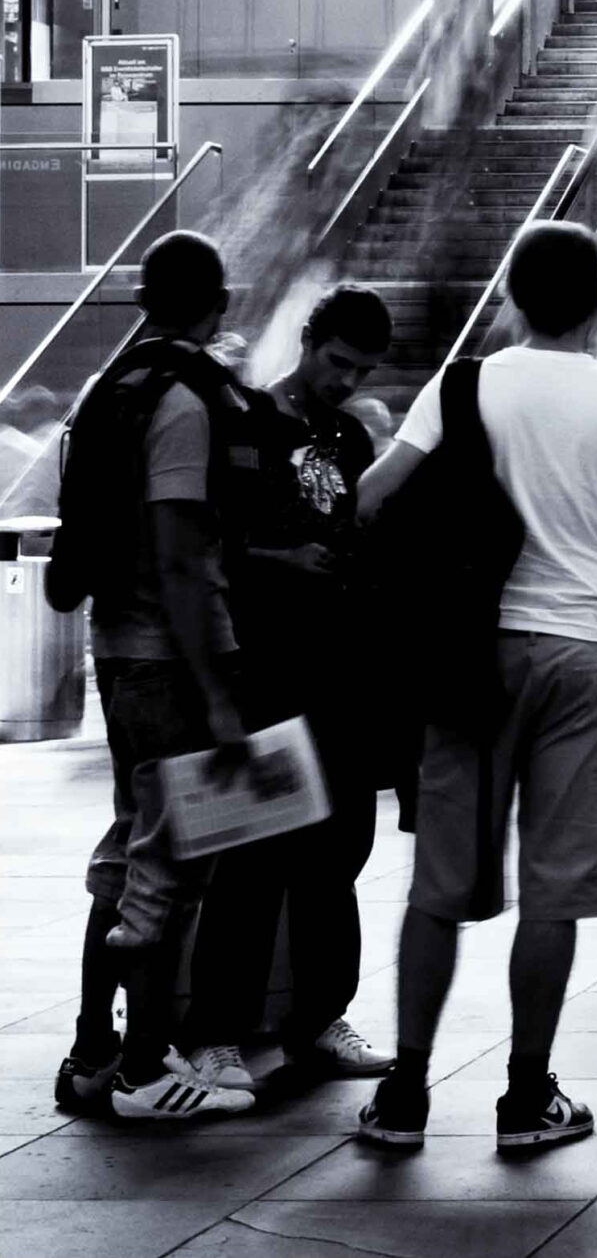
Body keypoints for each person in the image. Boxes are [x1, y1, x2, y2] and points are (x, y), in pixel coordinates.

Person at [354, 222, 597, 1152]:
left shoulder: (464, 384)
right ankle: (526, 1097)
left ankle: (403, 1096)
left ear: (514, 293)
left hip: (469, 656)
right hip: (584, 655)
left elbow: (374, 498)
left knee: (440, 884)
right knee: (557, 890)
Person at [53, 232, 267, 1120]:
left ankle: (92, 1050)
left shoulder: (121, 384)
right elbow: (181, 552)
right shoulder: (184, 401)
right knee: (171, 864)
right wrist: (217, 693)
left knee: (131, 848)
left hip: (120, 648)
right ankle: (145, 1067)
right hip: (170, 660)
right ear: (220, 303)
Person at [181, 288, 397, 1093]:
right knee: (249, 855)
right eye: (338, 363)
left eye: (362, 370)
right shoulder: (248, 422)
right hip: (268, 668)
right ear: (308, 343)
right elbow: (214, 544)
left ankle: (318, 1017)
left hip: (339, 670)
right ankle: (215, 1028)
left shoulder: (347, 435)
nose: (346, 381)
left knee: (336, 855)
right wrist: (286, 561)